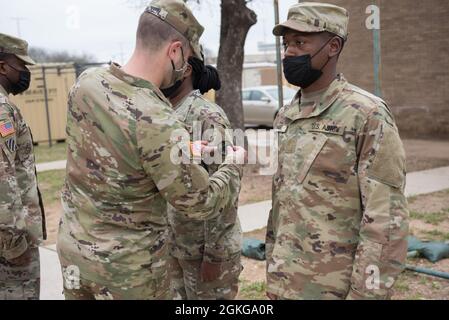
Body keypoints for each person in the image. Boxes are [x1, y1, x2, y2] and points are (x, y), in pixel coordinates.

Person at [57, 0, 245, 300]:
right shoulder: (157, 117)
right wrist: (233, 165)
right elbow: (200, 201)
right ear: (175, 51)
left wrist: (184, 150)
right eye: (187, 58)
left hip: (75, 255)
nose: (185, 69)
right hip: (128, 272)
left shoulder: (87, 84)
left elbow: (122, 150)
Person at [265, 2, 409, 300]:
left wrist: (365, 295)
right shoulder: (287, 115)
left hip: (335, 290)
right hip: (285, 283)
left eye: (300, 42)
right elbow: (283, 203)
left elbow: (385, 220)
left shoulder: (366, 114)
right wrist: (273, 269)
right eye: (287, 43)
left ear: (332, 47)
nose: (289, 52)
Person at [165, 52, 242, 300]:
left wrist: (214, 255)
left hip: (204, 253)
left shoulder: (206, 116)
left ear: (186, 70)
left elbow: (226, 189)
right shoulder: (165, 115)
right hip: (176, 247)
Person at [0, 33, 46, 300]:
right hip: (11, 244)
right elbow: (3, 179)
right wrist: (15, 243)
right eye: (22, 66)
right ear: (3, 66)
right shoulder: (3, 110)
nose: (26, 73)